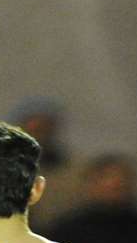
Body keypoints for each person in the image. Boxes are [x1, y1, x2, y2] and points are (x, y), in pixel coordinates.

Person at [11, 97, 85, 228]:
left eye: (42, 130)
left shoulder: (74, 172)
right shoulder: (4, 169)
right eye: (32, 130)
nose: (37, 137)